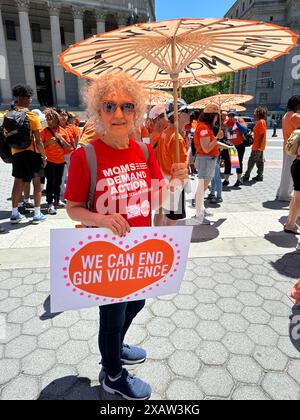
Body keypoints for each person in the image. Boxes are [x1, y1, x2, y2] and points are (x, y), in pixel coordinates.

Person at [64, 72, 188, 401]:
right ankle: (113, 374)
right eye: (109, 105)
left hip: (139, 249)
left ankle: (116, 345)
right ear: (97, 111)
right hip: (107, 253)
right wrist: (100, 218)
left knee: (138, 300)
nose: (118, 114)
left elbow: (158, 197)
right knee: (112, 314)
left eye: (127, 106)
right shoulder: (85, 156)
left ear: (137, 111)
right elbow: (73, 208)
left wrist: (177, 182)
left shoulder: (144, 152)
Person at [9, 84, 47, 225]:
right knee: (36, 182)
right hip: (32, 153)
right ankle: (37, 214)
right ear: (25, 98)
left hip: (16, 153)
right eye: (30, 97)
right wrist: (44, 156)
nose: (31, 100)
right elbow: (38, 141)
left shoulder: (9, 115)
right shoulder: (31, 116)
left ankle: (14, 213)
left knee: (17, 181)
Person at [155, 99, 189, 227]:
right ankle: (166, 243)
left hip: (164, 179)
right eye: (186, 111)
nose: (189, 114)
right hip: (174, 182)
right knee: (172, 219)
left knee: (164, 214)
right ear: (178, 115)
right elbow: (180, 169)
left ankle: (159, 237)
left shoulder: (166, 132)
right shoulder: (177, 139)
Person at [193, 104, 224, 224]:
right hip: (206, 159)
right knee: (202, 187)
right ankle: (199, 213)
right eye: (217, 116)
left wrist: (224, 145)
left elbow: (208, 145)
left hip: (208, 160)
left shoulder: (205, 127)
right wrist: (217, 138)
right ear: (212, 116)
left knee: (203, 187)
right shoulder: (204, 128)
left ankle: (200, 210)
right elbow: (206, 148)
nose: (217, 119)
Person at [40, 108, 71, 215]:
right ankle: (49, 203)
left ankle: (57, 201)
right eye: (47, 119)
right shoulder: (44, 132)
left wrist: (61, 140)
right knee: (50, 183)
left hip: (61, 161)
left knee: (58, 183)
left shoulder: (63, 131)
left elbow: (68, 148)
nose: (49, 121)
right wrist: (48, 142)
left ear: (56, 119)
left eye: (51, 119)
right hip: (49, 161)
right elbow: (40, 147)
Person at [277, 96, 300, 202]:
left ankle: (281, 192)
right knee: (290, 174)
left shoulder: (286, 115)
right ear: (296, 104)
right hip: (295, 148)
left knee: (286, 171)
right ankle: (284, 195)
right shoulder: (295, 116)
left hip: (288, 146)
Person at [223, 109, 247, 188]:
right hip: (229, 145)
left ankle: (239, 179)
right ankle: (226, 180)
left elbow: (244, 130)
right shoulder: (226, 123)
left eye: (232, 115)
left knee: (238, 162)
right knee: (228, 162)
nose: (231, 117)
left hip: (239, 145)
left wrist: (236, 122)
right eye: (229, 115)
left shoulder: (240, 120)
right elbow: (225, 134)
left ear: (235, 115)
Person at [243, 107, 268, 183]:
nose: (254, 113)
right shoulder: (260, 122)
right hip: (258, 146)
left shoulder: (261, 122)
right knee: (259, 161)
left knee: (251, 161)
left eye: (255, 112)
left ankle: (247, 175)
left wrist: (259, 148)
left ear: (258, 113)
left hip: (257, 147)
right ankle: (259, 176)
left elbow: (262, 135)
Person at [284, 143, 300, 235]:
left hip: (297, 164)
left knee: (296, 197)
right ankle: (290, 225)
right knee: (297, 199)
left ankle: (290, 223)